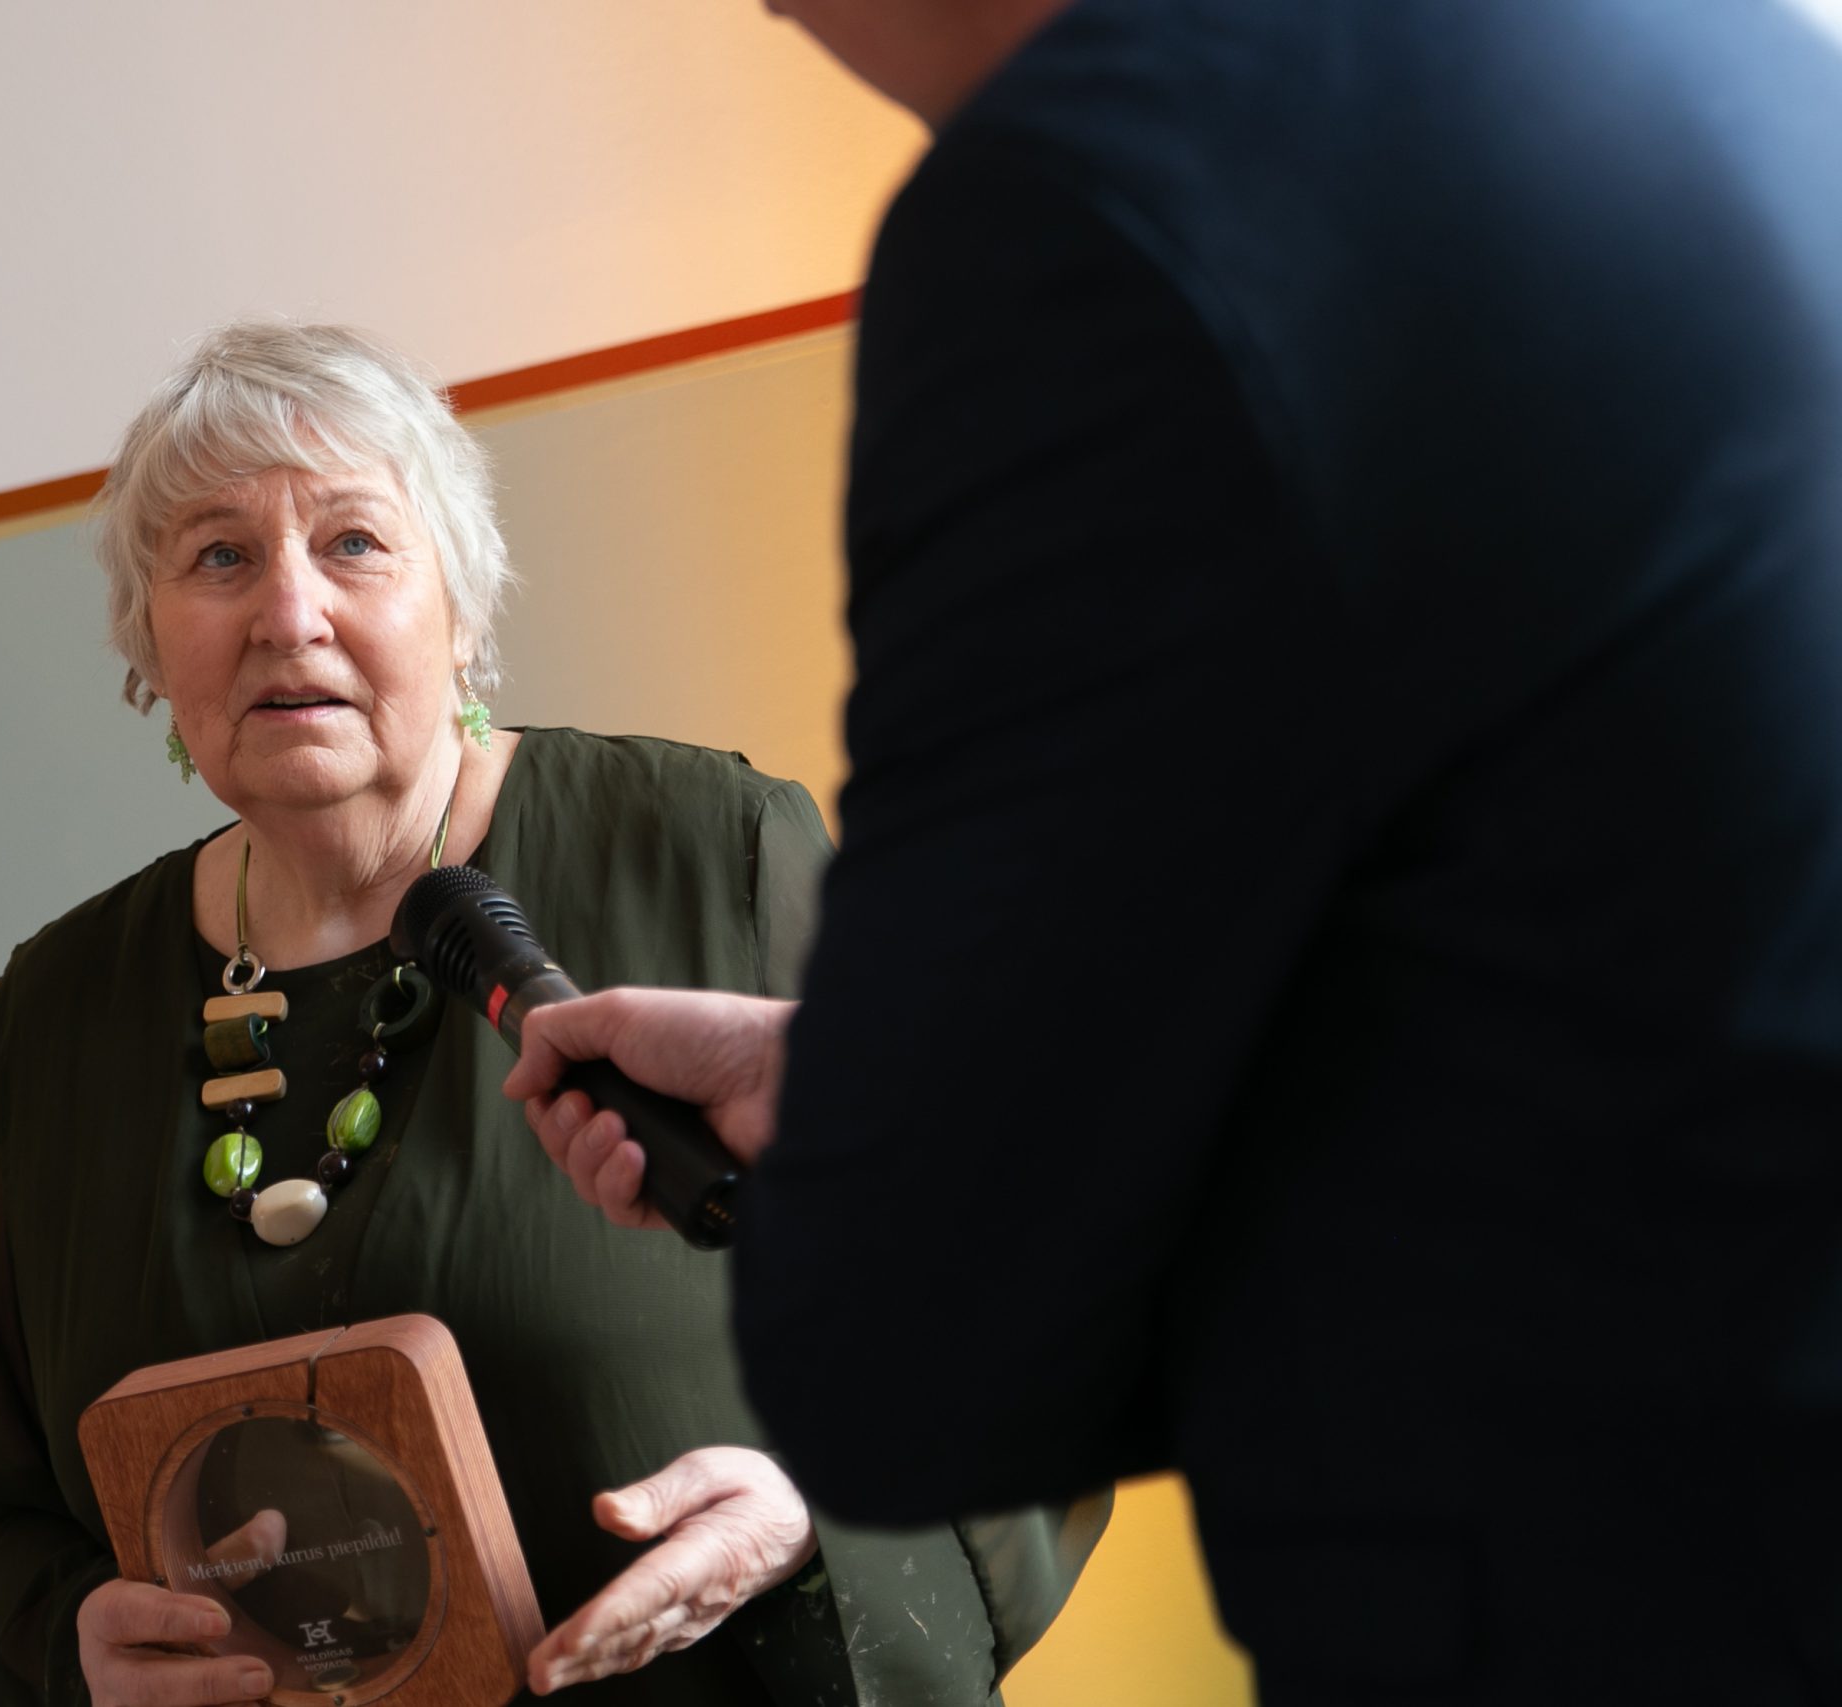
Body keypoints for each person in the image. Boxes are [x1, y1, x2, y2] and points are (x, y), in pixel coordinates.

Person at [508, 1, 1842, 1700]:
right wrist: (842, 1078)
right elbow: (1521, 965)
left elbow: (903, 1363)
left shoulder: (1085, 208)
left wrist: (886, 1146)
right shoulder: (1722, 56)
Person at [0, 318, 1109, 1707]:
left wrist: (818, 1505)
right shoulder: (51, 1020)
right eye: (219, 557)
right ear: (150, 644)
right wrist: (76, 1649)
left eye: (355, 543)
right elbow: (15, 1519)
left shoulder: (713, 855)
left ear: (465, 610)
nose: (288, 615)